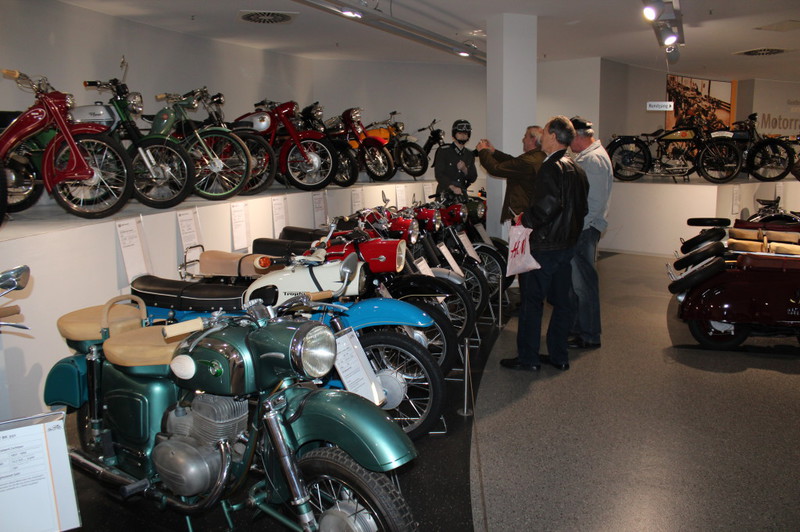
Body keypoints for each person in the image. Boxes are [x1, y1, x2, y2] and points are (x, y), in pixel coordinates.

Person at [500, 116, 588, 372]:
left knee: (531, 302)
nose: (542, 137)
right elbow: (581, 209)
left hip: (544, 247)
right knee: (562, 303)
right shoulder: (577, 168)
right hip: (565, 247)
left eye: (545, 132)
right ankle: (559, 356)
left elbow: (547, 207)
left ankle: (528, 358)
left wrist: (524, 218)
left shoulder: (551, 167)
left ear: (553, 136)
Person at [567, 116, 613, 349]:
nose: (568, 144)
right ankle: (579, 328)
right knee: (579, 284)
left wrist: (577, 228)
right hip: (585, 228)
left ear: (578, 136)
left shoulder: (593, 160)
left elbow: (594, 203)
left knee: (584, 285)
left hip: (584, 230)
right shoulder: (590, 156)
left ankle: (589, 334)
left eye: (569, 138)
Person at [475, 125, 545, 225]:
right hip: (530, 214)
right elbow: (513, 163)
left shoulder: (529, 161)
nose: (523, 140)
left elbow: (495, 169)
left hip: (522, 217)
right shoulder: (538, 157)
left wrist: (482, 151)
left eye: (525, 136)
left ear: (533, 140)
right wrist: (494, 152)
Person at [434, 119, 477, 195]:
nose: (463, 136)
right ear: (454, 134)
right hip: (445, 194)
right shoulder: (444, 151)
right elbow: (439, 174)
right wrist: (452, 187)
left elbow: (473, 178)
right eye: (460, 133)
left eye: (465, 133)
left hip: (461, 194)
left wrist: (465, 169)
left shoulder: (469, 154)